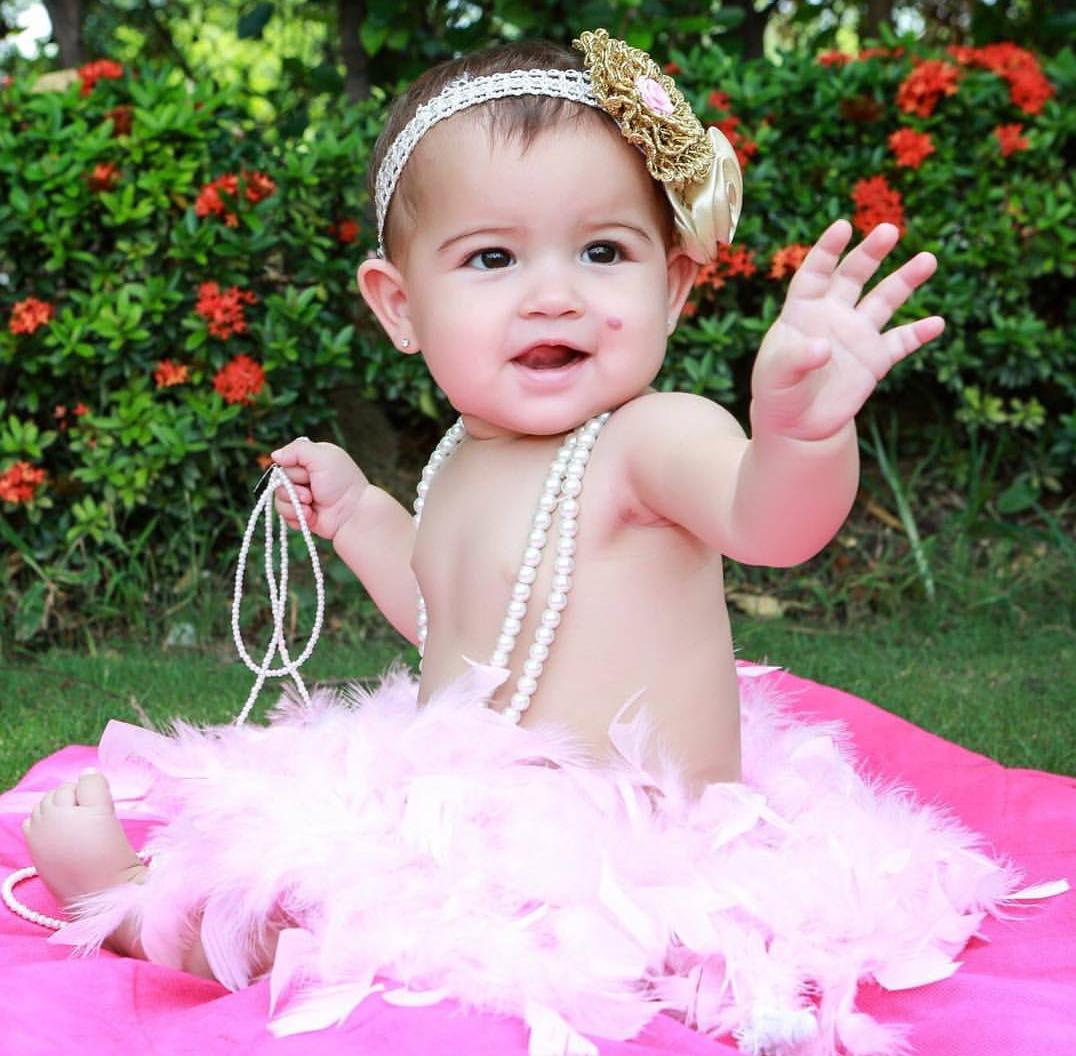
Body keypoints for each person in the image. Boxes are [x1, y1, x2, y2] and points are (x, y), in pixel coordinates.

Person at [20, 30, 1018, 1056]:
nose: (554, 294)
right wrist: (361, 517)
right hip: (477, 834)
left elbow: (771, 522)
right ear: (401, 307)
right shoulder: (461, 456)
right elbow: (453, 627)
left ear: (673, 287)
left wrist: (799, 438)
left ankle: (130, 907)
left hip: (633, 871)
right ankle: (165, 906)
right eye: (492, 258)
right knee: (314, 879)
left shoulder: (650, 440)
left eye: (603, 252)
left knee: (327, 937)